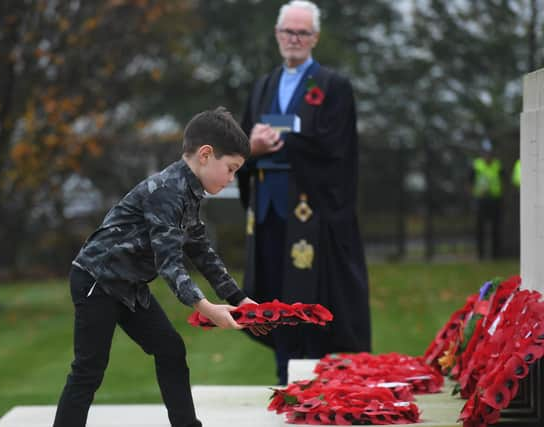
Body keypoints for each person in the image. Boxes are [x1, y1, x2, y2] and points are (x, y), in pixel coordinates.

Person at [53, 107, 268, 427]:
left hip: (129, 286)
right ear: (206, 155)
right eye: (231, 169)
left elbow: (200, 251)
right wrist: (206, 307)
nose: (231, 178)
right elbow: (169, 261)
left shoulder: (190, 192)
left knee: (170, 349)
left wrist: (240, 300)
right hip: (97, 280)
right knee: (89, 369)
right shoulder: (167, 191)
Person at [237, 0, 371, 385]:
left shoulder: (332, 86)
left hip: (311, 216)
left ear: (315, 38)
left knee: (309, 300)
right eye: (287, 32)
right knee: (273, 300)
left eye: (302, 32)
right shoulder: (263, 85)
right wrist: (252, 148)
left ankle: (316, 382)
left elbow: (335, 149)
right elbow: (244, 140)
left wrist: (278, 140)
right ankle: (284, 377)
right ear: (277, 35)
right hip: (267, 211)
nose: (294, 39)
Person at [470, 139, 503, 260]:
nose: (487, 155)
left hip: (495, 200)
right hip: (481, 200)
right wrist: (473, 195)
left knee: (496, 228)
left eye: (489, 153)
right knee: (480, 229)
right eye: (485, 152)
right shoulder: (476, 165)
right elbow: (469, 181)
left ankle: (496, 255)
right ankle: (481, 255)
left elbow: (503, 181)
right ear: (482, 153)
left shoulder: (497, 165)